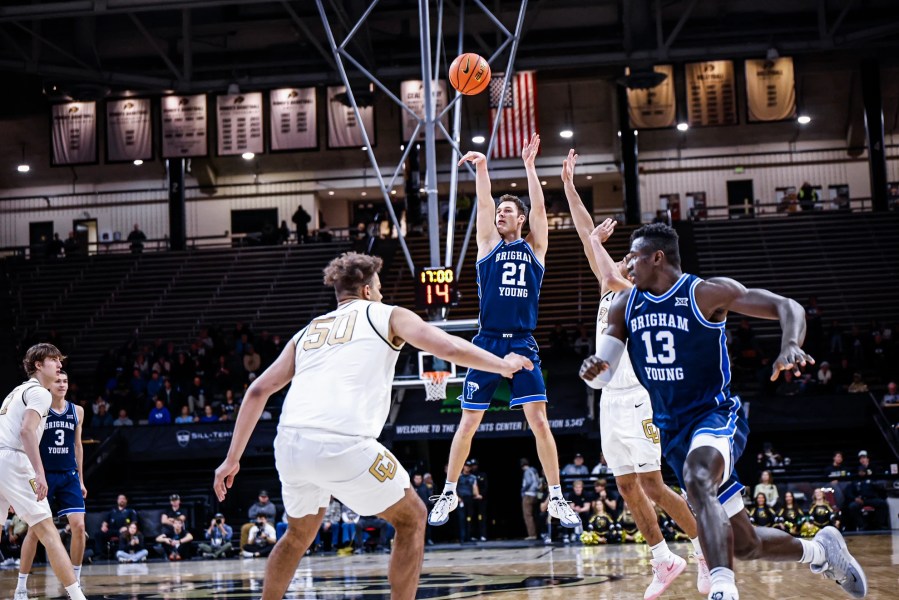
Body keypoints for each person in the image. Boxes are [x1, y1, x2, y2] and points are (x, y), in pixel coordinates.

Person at [212, 252, 532, 600]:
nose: (380, 294)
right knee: (413, 517)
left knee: (297, 535)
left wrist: (232, 459)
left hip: (290, 445)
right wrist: (502, 365)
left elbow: (258, 389)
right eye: (377, 289)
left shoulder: (307, 331)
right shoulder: (387, 314)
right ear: (366, 291)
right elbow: (446, 345)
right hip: (342, 444)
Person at [580, 223, 867, 600]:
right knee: (745, 543)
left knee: (698, 478)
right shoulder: (623, 304)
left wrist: (790, 345)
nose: (627, 264)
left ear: (657, 257)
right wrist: (595, 368)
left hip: (714, 415)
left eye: (634, 256)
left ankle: (722, 589)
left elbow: (786, 306)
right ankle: (821, 552)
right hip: (674, 430)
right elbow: (608, 366)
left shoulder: (704, 293)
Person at [562, 151, 709, 599]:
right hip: (610, 399)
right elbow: (593, 248)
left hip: (642, 397)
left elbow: (595, 251)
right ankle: (663, 558)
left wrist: (593, 238)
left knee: (654, 485)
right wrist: (569, 186)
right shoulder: (612, 291)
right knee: (626, 484)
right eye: (622, 256)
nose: (624, 260)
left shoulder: (640, 293)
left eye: (631, 256)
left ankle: (706, 549)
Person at [428, 134, 579, 531]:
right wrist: (482, 170)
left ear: (521, 219)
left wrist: (530, 168)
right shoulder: (486, 246)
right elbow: (482, 204)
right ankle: (448, 491)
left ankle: (557, 495)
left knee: (539, 421)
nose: (500, 214)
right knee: (468, 422)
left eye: (508, 210)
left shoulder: (536, 248)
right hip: (488, 341)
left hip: (522, 340)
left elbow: (542, 210)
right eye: (500, 209)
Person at [1, 344, 86, 600]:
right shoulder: (39, 393)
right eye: (53, 360)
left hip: (4, 460)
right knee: (48, 531)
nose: (59, 365)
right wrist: (38, 472)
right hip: (14, 458)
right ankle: (77, 596)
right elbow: (26, 431)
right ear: (38, 365)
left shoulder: (16, 392)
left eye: (60, 361)